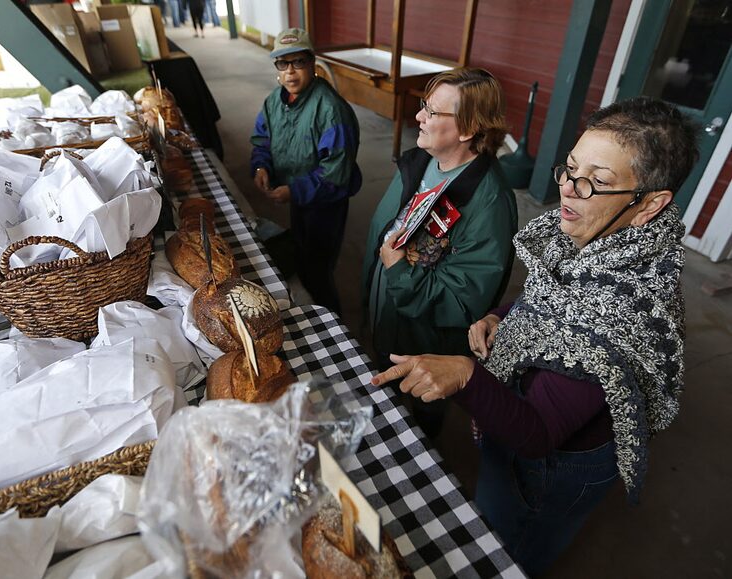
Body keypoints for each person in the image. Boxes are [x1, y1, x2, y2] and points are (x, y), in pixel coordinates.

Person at [371, 97, 699, 576]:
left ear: (649, 203)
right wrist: (502, 315)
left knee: (506, 549)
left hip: (555, 465)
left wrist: (465, 375)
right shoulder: (597, 234)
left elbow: (539, 434)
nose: (567, 190)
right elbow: (549, 297)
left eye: (596, 182)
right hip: (526, 420)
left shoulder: (622, 308)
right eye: (569, 169)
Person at [362, 68, 517, 437]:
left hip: (424, 343)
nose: (418, 117)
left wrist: (398, 272)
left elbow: (460, 300)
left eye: (431, 112)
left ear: (467, 129)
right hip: (389, 317)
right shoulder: (421, 161)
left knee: (418, 423)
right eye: (423, 106)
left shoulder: (489, 204)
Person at [250, 28, 362, 313]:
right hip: (297, 196)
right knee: (301, 253)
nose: (290, 72)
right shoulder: (274, 102)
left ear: (313, 64)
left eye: (298, 62)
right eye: (282, 63)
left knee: (318, 269)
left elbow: (336, 174)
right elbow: (262, 138)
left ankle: (332, 324)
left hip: (326, 204)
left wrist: (295, 190)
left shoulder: (331, 110)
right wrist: (261, 165)